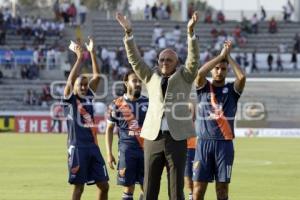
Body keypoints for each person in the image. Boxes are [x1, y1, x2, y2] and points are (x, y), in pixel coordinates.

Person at [116, 11, 199, 200]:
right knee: (149, 188)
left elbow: (194, 60)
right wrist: (128, 34)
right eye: (161, 59)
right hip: (153, 137)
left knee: (176, 191)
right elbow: (134, 60)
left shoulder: (185, 76)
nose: (164, 63)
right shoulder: (150, 75)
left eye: (169, 60)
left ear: (176, 63)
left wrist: (190, 33)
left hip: (177, 138)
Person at [193, 40, 246, 200]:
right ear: (212, 70)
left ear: (227, 71)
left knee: (222, 190)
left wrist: (227, 56)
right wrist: (220, 56)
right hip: (203, 143)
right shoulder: (203, 87)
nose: (219, 71)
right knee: (198, 190)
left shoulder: (231, 91)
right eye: (216, 68)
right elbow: (200, 73)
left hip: (224, 144)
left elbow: (242, 76)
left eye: (223, 69)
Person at [63, 37, 109, 200]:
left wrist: (92, 53)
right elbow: (70, 81)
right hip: (77, 148)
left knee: (104, 185)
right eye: (80, 85)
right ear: (74, 87)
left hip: (93, 146)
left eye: (84, 84)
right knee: (79, 187)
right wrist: (79, 57)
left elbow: (97, 76)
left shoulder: (89, 95)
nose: (83, 87)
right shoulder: (70, 99)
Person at [105, 70, 148, 200]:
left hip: (146, 151)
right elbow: (109, 129)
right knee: (128, 187)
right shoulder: (116, 104)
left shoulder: (149, 103)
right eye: (134, 80)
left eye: (139, 81)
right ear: (126, 83)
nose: (138, 83)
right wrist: (109, 153)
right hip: (126, 151)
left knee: (147, 187)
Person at [184, 103, 196, 200]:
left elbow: (190, 106)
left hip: (191, 149)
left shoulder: (194, 122)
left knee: (189, 176)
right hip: (178, 148)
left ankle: (192, 196)